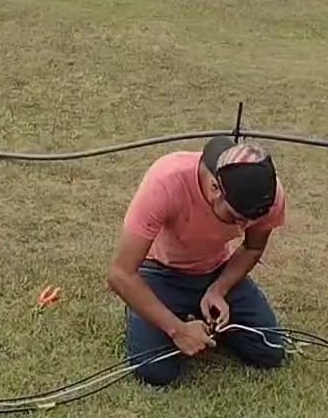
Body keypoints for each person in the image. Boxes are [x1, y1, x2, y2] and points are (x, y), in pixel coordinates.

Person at [108, 136, 287, 386]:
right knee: (156, 372)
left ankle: (208, 319)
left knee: (270, 351)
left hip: (216, 270)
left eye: (249, 220)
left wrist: (219, 290)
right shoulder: (166, 181)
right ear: (215, 188)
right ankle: (151, 312)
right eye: (236, 217)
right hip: (159, 274)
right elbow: (120, 274)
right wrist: (177, 330)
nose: (244, 226)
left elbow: (253, 246)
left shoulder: (268, 196)